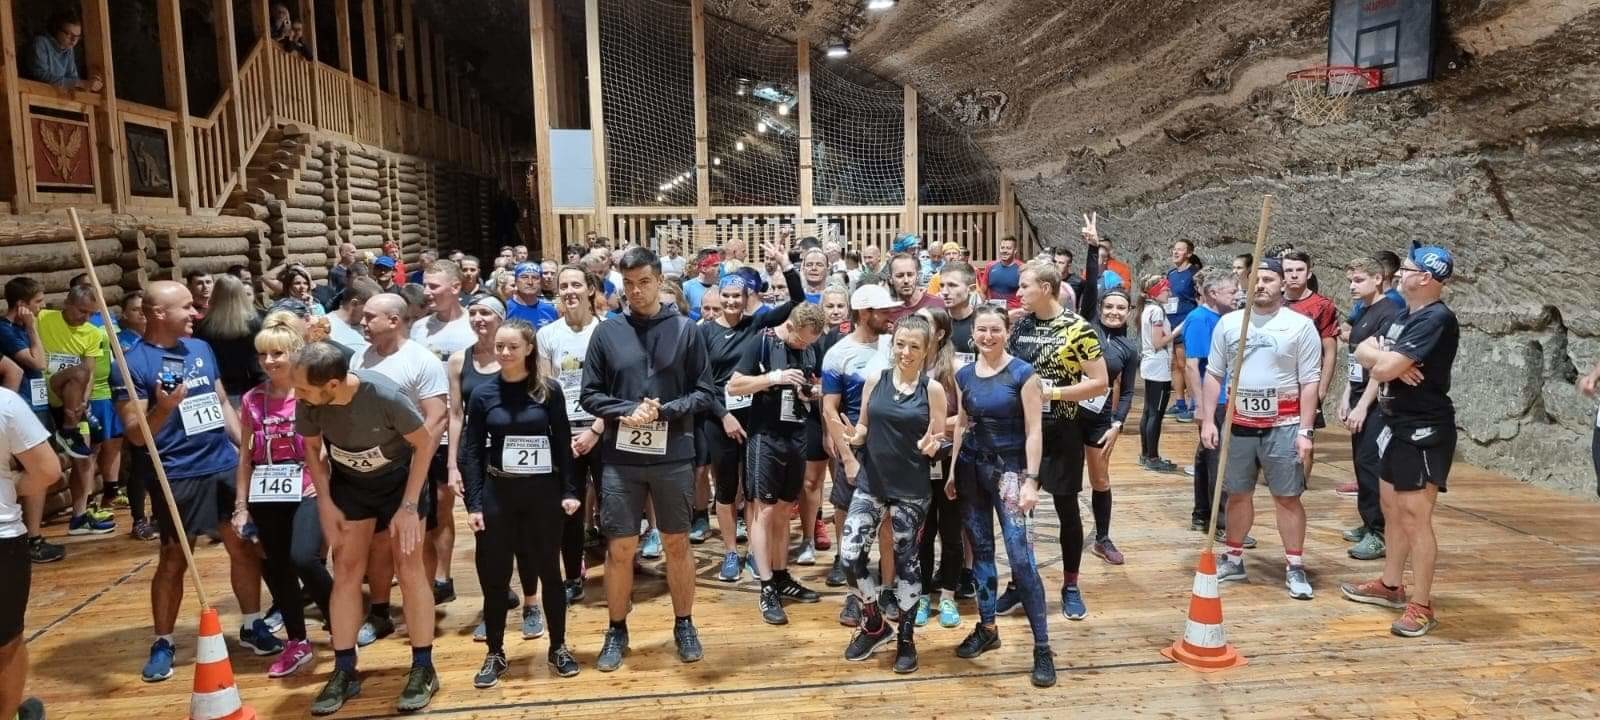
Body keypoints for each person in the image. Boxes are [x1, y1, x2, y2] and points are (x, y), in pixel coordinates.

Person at [113, 281, 277, 683]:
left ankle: (252, 623)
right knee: (174, 558)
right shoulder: (131, 363)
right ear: (158, 313)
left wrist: (246, 450)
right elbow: (136, 435)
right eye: (186, 307)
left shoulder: (201, 348)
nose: (195, 313)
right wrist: (164, 408)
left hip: (221, 464)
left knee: (243, 545)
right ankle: (164, 641)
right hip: (176, 471)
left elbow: (220, 402)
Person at [580, 246, 715, 672]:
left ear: (659, 281)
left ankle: (684, 623)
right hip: (621, 458)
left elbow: (705, 392)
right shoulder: (606, 332)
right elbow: (589, 395)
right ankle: (616, 628)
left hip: (673, 454)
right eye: (628, 284)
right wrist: (625, 410)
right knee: (621, 546)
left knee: (676, 542)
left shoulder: (686, 330)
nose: (635, 291)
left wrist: (666, 411)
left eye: (643, 282)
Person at [294, 343, 439, 714]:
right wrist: (325, 502)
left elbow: (424, 444)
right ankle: (345, 670)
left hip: (400, 483)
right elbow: (311, 448)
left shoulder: (384, 395)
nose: (297, 395)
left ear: (332, 384)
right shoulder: (309, 400)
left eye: (304, 388)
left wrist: (409, 507)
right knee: (345, 570)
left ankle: (423, 667)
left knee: (409, 570)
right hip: (350, 485)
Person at [1341, 244, 1459, 637]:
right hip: (1395, 424)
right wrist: (1385, 360)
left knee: (1415, 516)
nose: (1398, 275)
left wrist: (1386, 361)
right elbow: (1360, 348)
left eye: (1406, 269)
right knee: (1391, 509)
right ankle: (1391, 585)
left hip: (1423, 430)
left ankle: (1422, 605)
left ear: (1425, 277)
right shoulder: (1404, 315)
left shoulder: (1436, 319)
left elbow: (1381, 365)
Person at [460, 319, 583, 686]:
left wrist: (570, 491)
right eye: (499, 346)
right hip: (499, 493)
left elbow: (562, 442)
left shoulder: (549, 391)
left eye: (512, 346)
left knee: (550, 573)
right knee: (495, 576)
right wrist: (474, 503)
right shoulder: (482, 394)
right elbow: (471, 452)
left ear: (529, 349)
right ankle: (495, 653)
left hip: (542, 495)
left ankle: (558, 647)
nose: (504, 353)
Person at [999, 216, 1109, 621]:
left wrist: (1053, 393)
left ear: (1045, 288)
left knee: (1067, 510)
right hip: (1022, 431)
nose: (1018, 293)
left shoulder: (1077, 329)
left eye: (1024, 286)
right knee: (1016, 512)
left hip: (1062, 429)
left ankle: (1071, 585)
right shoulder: (1021, 325)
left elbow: (1099, 383)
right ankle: (1018, 583)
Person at [1200, 258, 1321, 600]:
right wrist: (1208, 419)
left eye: (1268, 279)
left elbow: (1309, 381)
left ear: (1283, 284)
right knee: (1237, 493)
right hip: (1239, 424)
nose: (1261, 284)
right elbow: (1214, 374)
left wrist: (1306, 431)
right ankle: (1233, 558)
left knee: (1287, 497)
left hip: (1284, 425)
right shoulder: (1229, 324)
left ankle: (1295, 566)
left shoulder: (1299, 326)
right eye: (1254, 278)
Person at [947, 304, 1055, 687]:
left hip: (1010, 473)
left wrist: (1031, 480)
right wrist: (951, 469)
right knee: (981, 553)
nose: (988, 336)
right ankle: (988, 627)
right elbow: (962, 424)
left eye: (995, 329)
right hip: (971, 470)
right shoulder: (963, 374)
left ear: (1007, 332)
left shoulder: (1023, 374)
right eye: (982, 329)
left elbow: (1034, 430)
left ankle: (1042, 646)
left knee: (1021, 559)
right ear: (972, 333)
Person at [837, 315, 946, 674]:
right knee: (849, 555)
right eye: (900, 344)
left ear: (926, 350)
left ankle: (906, 638)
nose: (905, 352)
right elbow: (864, 426)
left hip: (912, 489)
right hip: (872, 482)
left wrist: (934, 446)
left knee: (906, 563)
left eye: (914, 346)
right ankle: (874, 623)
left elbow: (939, 438)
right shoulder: (876, 379)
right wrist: (855, 437)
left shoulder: (932, 389)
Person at [230, 311, 332, 679]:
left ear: (295, 353)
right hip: (266, 491)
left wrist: (325, 485)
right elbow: (245, 456)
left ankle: (341, 618)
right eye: (263, 355)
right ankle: (297, 640)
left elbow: (328, 446)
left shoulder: (312, 396)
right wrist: (241, 507)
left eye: (277, 354)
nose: (269, 361)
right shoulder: (252, 399)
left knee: (304, 558)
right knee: (275, 567)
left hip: (307, 487)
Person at [700, 243, 803, 580]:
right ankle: (731, 551)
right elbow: (700, 383)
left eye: (737, 296)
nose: (731, 301)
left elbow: (798, 303)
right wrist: (724, 416)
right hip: (720, 418)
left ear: (747, 298)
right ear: (718, 297)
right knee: (726, 488)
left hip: (756, 417)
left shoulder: (756, 323)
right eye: (726, 296)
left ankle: (757, 554)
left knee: (756, 489)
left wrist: (787, 265)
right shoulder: (704, 332)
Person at [353, 293, 448, 645]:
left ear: (394, 320)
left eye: (370, 317)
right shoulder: (359, 357)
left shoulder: (422, 360)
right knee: (378, 543)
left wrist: (415, 461)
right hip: (368, 469)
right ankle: (379, 613)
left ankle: (420, 610)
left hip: (409, 467)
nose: (363, 322)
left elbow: (436, 418)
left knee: (413, 544)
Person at [726, 303, 827, 625]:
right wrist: (773, 377)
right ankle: (766, 584)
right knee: (764, 511)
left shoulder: (809, 346)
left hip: (796, 432)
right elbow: (734, 385)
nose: (805, 345)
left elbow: (814, 382)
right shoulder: (763, 341)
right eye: (802, 340)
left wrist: (811, 392)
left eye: (811, 342)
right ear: (791, 326)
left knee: (784, 509)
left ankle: (782, 575)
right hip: (765, 436)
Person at [821, 284, 899, 624]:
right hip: (856, 448)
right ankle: (854, 593)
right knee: (847, 521)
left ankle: (888, 589)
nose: (890, 316)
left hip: (891, 447)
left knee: (888, 523)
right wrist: (848, 458)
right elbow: (830, 410)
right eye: (883, 311)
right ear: (865, 313)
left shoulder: (895, 345)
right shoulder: (838, 354)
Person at [407, 261, 478, 609]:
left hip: (467, 425)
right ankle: (440, 578)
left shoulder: (473, 325)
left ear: (455, 287)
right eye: (426, 285)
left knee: (459, 502)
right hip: (428, 428)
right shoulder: (419, 328)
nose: (428, 292)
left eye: (434, 286)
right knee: (433, 506)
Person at [537, 268, 608, 604]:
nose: (569, 291)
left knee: (614, 505)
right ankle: (572, 576)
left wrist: (596, 429)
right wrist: (560, 434)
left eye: (576, 284)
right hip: (566, 434)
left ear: (590, 289)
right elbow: (544, 390)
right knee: (569, 508)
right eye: (563, 285)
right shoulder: (547, 335)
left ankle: (619, 566)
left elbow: (617, 389)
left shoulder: (607, 330)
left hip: (604, 430)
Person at [1338, 257, 1404, 562]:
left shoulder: (1389, 312)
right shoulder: (1363, 311)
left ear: (1378, 279)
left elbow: (1382, 365)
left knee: (1371, 462)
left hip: (1377, 401)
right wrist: (1346, 396)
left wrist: (1364, 405)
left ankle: (1380, 532)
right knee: (1360, 463)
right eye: (1350, 281)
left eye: (1359, 280)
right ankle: (1368, 522)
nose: (1352, 286)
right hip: (1358, 393)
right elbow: (1355, 359)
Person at [0, 385, 59, 720]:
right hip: (2, 536)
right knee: (6, 642)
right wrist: (11, 487)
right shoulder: (5, 404)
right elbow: (47, 470)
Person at [37, 285, 115, 533]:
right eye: (82, 311)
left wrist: (85, 399)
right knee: (77, 373)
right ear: (67, 304)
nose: (86, 317)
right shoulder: (44, 318)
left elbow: (89, 371)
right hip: (47, 388)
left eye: (91, 313)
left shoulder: (92, 333)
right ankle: (68, 430)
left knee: (83, 459)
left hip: (73, 398)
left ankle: (79, 517)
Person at [0, 279, 66, 562]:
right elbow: (37, 362)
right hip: (20, 410)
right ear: (22, 305)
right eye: (38, 301)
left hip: (37, 406)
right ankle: (30, 537)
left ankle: (34, 535)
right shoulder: (6, 330)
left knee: (41, 473)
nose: (42, 306)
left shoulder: (22, 328)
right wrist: (32, 328)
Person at [910, 307, 964, 628]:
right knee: (923, 532)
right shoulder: (907, 364)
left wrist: (937, 427)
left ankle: (948, 597)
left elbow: (967, 418)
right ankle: (921, 596)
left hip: (947, 459)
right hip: (916, 460)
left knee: (951, 532)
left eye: (925, 323)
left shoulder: (954, 369)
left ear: (940, 333)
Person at [1084, 289, 1138, 565]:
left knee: (1100, 480)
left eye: (1120, 308)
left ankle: (1102, 539)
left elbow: (1127, 392)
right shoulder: (1085, 331)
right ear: (1099, 308)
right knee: (1060, 479)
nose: (1114, 312)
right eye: (1109, 306)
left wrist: (1117, 423)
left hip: (1100, 419)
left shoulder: (1128, 348)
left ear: (1129, 312)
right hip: (1068, 415)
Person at [1282, 250, 1340, 479]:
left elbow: (1330, 351)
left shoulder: (1322, 306)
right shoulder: (1273, 302)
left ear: (1308, 273)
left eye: (1299, 270)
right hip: (1277, 382)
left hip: (1306, 383)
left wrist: (1322, 389)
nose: (1294, 275)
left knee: (1305, 434)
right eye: (1289, 270)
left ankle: (1301, 484)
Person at [195, 275, 266, 405]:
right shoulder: (256, 323)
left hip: (218, 389)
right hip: (250, 387)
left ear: (215, 295)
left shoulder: (203, 327)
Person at [1137, 276, 1178, 471]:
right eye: (1166, 290)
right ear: (1156, 291)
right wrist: (1178, 330)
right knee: (1156, 413)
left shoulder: (1148, 309)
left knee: (1149, 411)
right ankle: (1152, 457)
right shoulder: (1156, 311)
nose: (1169, 293)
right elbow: (1157, 342)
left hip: (1150, 364)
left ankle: (1146, 454)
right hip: (1158, 366)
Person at [1167, 240, 1202, 422]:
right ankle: (1179, 402)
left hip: (1186, 322)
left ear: (1189, 253)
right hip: (1170, 323)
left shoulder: (1194, 274)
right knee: (1174, 364)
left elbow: (1199, 299)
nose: (1175, 252)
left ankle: (1193, 404)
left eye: (1180, 250)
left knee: (1185, 364)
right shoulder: (1171, 274)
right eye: (1174, 249)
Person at [28, 11, 102, 92]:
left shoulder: (68, 49)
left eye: (77, 36)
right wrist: (81, 83)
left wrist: (90, 83)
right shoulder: (41, 43)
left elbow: (73, 78)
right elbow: (41, 75)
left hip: (58, 95)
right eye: (69, 34)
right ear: (57, 30)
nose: (74, 40)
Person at [885, 253, 945, 325]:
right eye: (900, 276)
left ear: (918, 276)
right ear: (890, 279)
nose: (906, 280)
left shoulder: (937, 304)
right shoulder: (885, 313)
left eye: (910, 275)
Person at [325, 278, 378, 357]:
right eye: (372, 306)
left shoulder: (372, 326)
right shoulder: (324, 327)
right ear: (354, 303)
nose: (376, 311)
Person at [507, 263, 559, 329]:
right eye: (524, 277)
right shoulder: (505, 309)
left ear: (540, 281)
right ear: (516, 281)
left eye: (535, 278)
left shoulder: (550, 310)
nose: (530, 282)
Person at [979, 237, 1023, 309]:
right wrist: (984, 307)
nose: (1004, 251)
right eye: (1002, 248)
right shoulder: (990, 266)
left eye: (1008, 248)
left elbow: (1026, 294)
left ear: (1015, 250)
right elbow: (982, 291)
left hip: (1014, 311)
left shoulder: (1021, 268)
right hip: (993, 310)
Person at [681, 249, 720, 320]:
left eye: (719, 265)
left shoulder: (718, 289)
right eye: (715, 265)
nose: (719, 269)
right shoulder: (686, 287)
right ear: (703, 268)